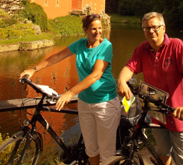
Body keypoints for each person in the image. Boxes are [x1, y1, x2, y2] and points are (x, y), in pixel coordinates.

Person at [20, 14, 120, 165]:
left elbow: (96, 75)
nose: (97, 32)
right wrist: (33, 70)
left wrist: (70, 93)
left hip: (104, 103)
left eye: (100, 28)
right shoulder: (80, 44)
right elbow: (56, 57)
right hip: (85, 103)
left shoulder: (106, 46)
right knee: (91, 150)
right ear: (85, 30)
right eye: (93, 29)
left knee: (107, 153)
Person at [117, 12, 183, 165]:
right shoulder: (142, 49)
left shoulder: (176, 45)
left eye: (155, 27)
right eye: (146, 28)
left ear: (163, 28)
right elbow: (129, 67)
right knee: (163, 153)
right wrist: (121, 79)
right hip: (158, 114)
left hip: (179, 115)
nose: (151, 31)